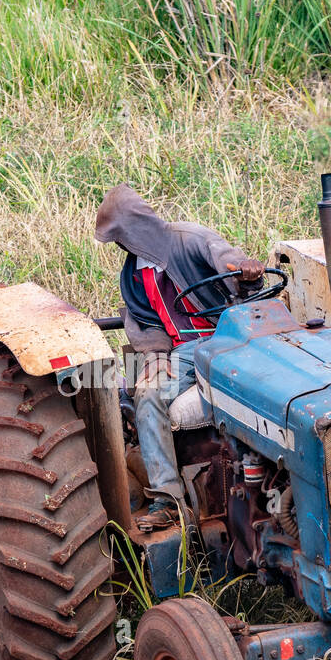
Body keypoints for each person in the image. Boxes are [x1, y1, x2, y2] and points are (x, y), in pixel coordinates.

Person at [94, 184, 264, 531]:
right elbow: (146, 323)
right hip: (183, 352)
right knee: (146, 392)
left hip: (230, 332)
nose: (123, 246)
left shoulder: (189, 239)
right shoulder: (133, 274)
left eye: (123, 237)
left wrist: (245, 273)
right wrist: (154, 358)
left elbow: (228, 261)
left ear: (139, 226)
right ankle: (168, 500)